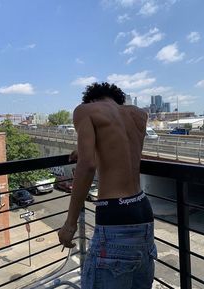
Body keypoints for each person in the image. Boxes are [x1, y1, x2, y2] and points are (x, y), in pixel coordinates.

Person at [58, 82, 157, 289]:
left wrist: (70, 224)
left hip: (116, 215)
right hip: (143, 210)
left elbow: (87, 166)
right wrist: (90, 149)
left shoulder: (85, 111)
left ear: (91, 99)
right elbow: (119, 148)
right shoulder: (139, 115)